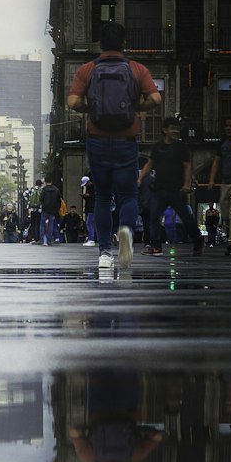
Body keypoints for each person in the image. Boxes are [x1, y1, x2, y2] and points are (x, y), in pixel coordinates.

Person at [66, 20, 162, 277]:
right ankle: (127, 233)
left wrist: (91, 109)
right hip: (126, 140)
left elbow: (73, 101)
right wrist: (134, 109)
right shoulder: (136, 69)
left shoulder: (88, 69)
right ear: (124, 43)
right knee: (128, 195)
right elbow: (155, 98)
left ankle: (105, 254)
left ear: (100, 44)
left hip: (97, 139)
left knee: (102, 196)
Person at [139, 118, 204, 256]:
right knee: (154, 217)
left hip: (176, 190)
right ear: (165, 130)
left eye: (177, 128)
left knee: (186, 218)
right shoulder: (158, 147)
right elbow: (149, 164)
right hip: (159, 189)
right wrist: (139, 180)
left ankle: (198, 240)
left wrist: (186, 184)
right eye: (172, 128)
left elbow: (187, 166)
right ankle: (156, 246)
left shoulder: (181, 148)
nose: (175, 131)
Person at [209, 115, 231, 256]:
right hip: (225, 182)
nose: (228, 128)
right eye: (226, 126)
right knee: (225, 215)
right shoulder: (223, 143)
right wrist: (212, 179)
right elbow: (216, 161)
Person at [39, 178, 62, 246]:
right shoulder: (56, 190)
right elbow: (59, 201)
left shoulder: (44, 190)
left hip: (45, 209)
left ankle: (43, 239)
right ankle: (49, 240)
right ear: (51, 181)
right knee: (51, 224)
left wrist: (43, 204)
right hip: (53, 210)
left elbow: (40, 199)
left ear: (45, 182)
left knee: (42, 224)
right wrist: (56, 209)